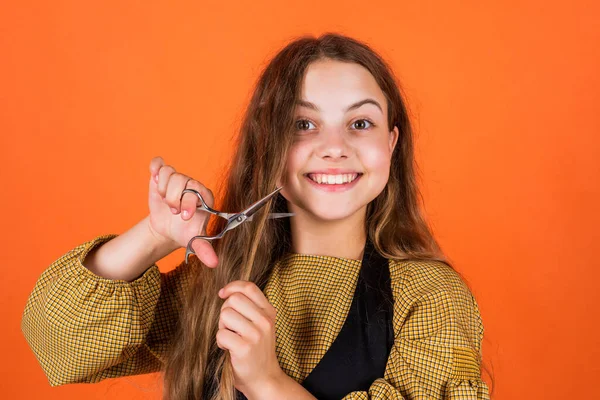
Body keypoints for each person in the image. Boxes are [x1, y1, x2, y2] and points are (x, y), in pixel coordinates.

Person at [21, 33, 491, 400]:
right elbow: (58, 345)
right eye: (302, 124)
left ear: (390, 144)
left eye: (360, 123)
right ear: (269, 146)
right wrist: (156, 235)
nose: (334, 148)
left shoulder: (431, 300)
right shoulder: (217, 281)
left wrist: (267, 383)